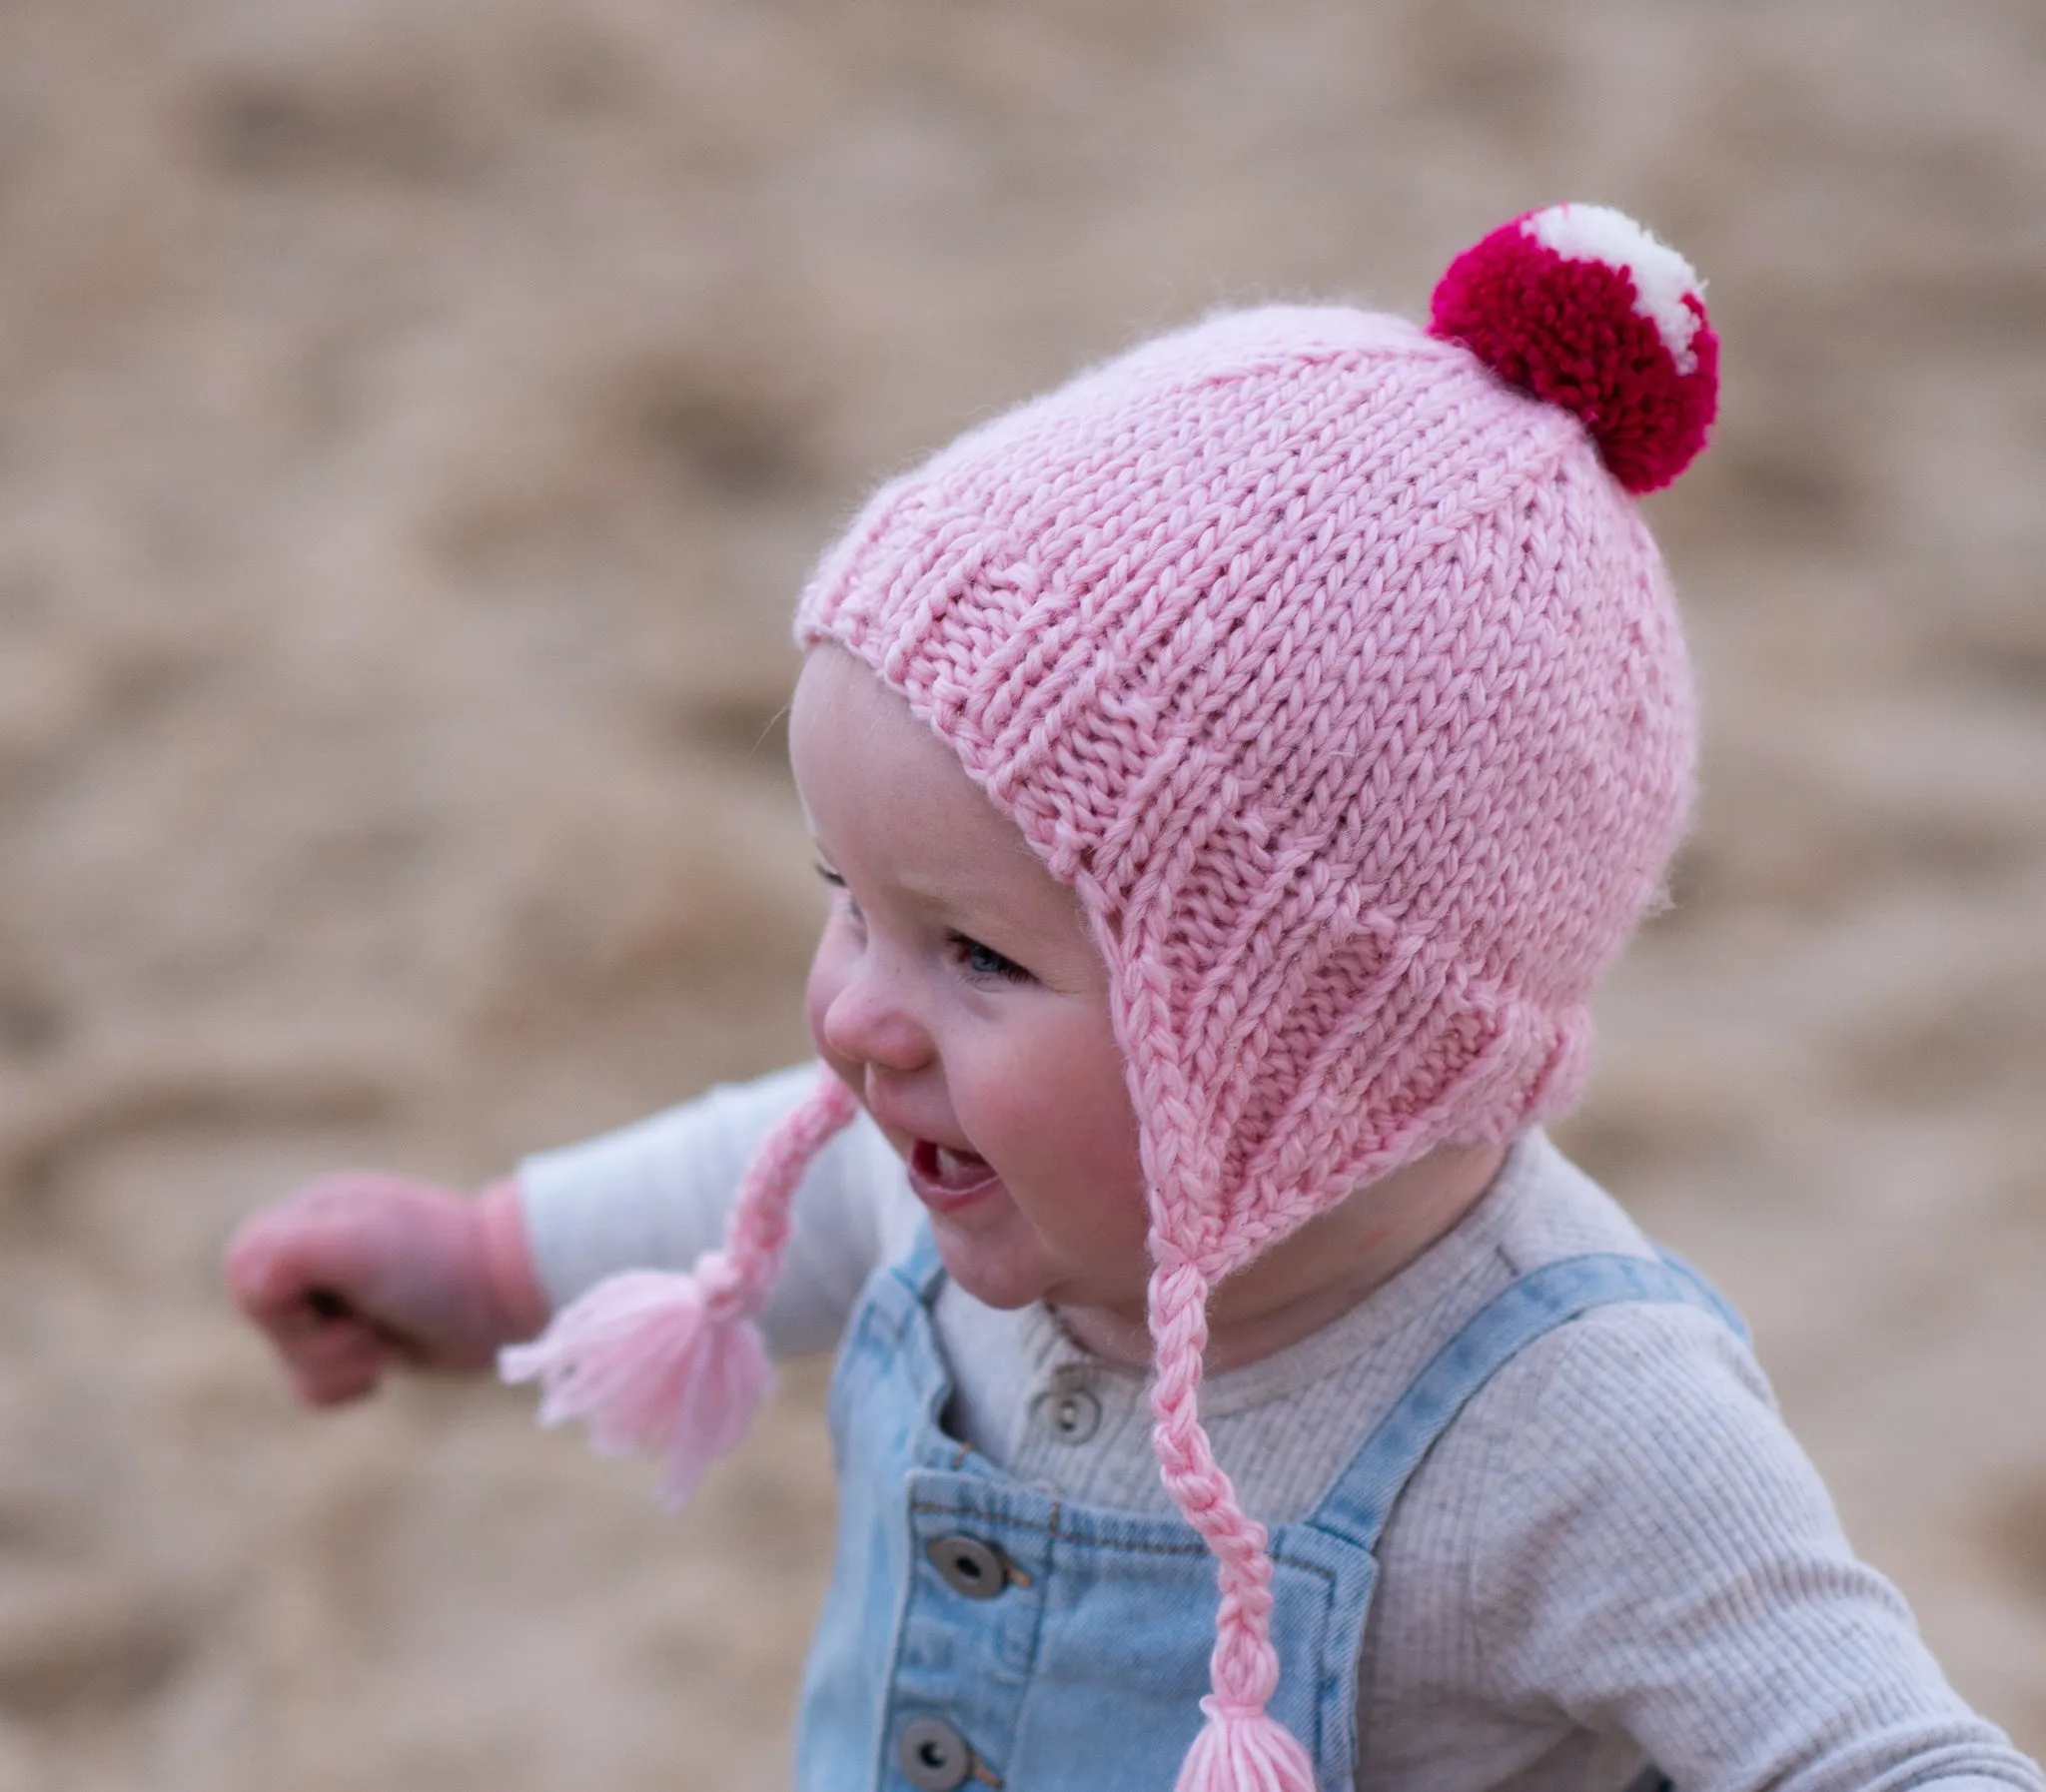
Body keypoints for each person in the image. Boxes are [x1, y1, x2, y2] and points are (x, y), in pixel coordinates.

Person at [227, 206, 2046, 1792]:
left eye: (979, 954)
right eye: (843, 903)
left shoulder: (1576, 1420)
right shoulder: (972, 1173)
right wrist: (481, 1264)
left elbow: (1871, 1741)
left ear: (1322, 1058)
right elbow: (752, 1186)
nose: (860, 1017)